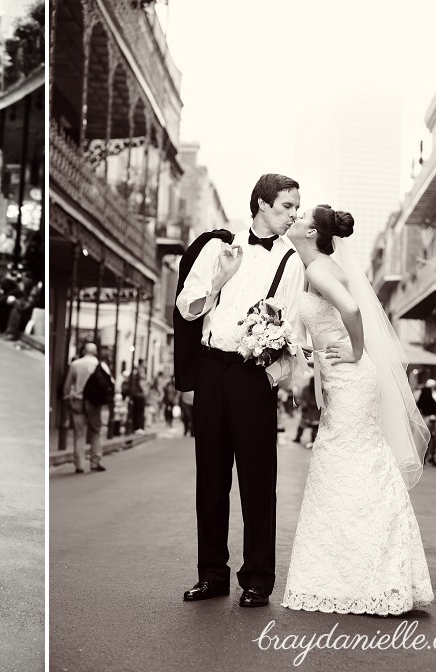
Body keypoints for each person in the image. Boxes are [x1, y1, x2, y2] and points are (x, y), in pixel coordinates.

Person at [281, 204, 432, 615]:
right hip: (341, 379)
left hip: (351, 377)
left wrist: (355, 349)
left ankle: (364, 575)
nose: (291, 221)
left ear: (312, 233)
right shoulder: (321, 265)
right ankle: (365, 571)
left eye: (298, 219)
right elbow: (330, 320)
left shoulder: (317, 270)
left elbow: (350, 309)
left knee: (346, 463)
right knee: (354, 464)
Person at [175, 174, 305, 608]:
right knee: (210, 477)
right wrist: (220, 281)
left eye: (296, 206)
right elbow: (186, 308)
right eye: (288, 205)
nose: (294, 214)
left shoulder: (292, 261)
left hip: (253, 374)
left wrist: (272, 360)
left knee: (257, 479)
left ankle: (257, 580)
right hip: (213, 368)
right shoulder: (218, 246)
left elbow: (289, 326)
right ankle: (212, 575)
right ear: (262, 204)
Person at [62, 342, 106, 473]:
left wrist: (67, 399)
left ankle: (80, 464)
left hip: (78, 401)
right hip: (94, 403)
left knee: (79, 433)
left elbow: (67, 386)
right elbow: (110, 384)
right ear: (96, 352)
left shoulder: (76, 364)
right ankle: (95, 462)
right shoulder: (101, 365)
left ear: (83, 351)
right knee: (96, 431)